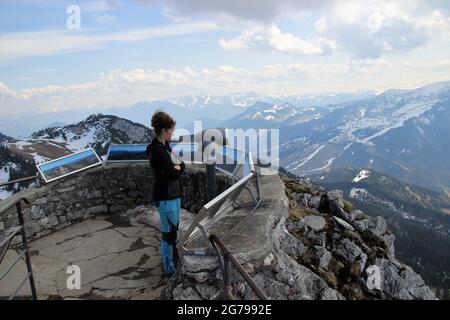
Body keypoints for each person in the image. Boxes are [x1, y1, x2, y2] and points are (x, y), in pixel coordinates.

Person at [146, 111, 185, 275]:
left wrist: (177, 167)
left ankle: (174, 260)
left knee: (173, 230)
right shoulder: (157, 151)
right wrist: (177, 167)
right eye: (170, 131)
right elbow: (176, 172)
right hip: (165, 197)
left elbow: (181, 166)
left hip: (173, 195)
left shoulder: (165, 147)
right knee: (168, 233)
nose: (172, 133)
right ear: (163, 131)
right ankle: (169, 268)